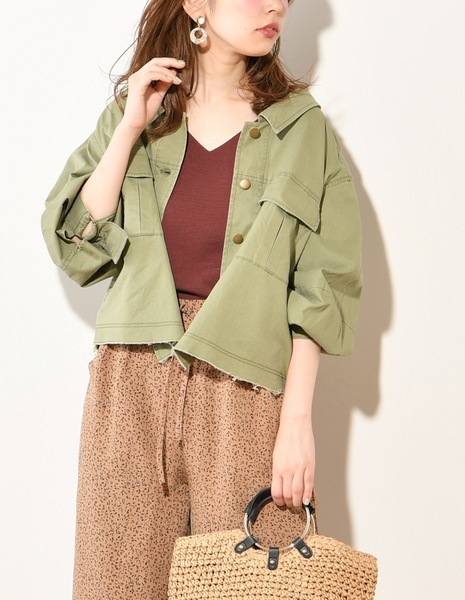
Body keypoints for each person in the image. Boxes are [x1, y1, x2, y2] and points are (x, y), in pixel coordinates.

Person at [41, 0, 362, 597]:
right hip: (131, 384)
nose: (276, 5)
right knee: (115, 586)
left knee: (252, 588)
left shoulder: (302, 129)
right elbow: (74, 246)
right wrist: (129, 127)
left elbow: (323, 286)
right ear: (195, 5)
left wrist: (296, 423)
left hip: (246, 391)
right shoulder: (140, 113)